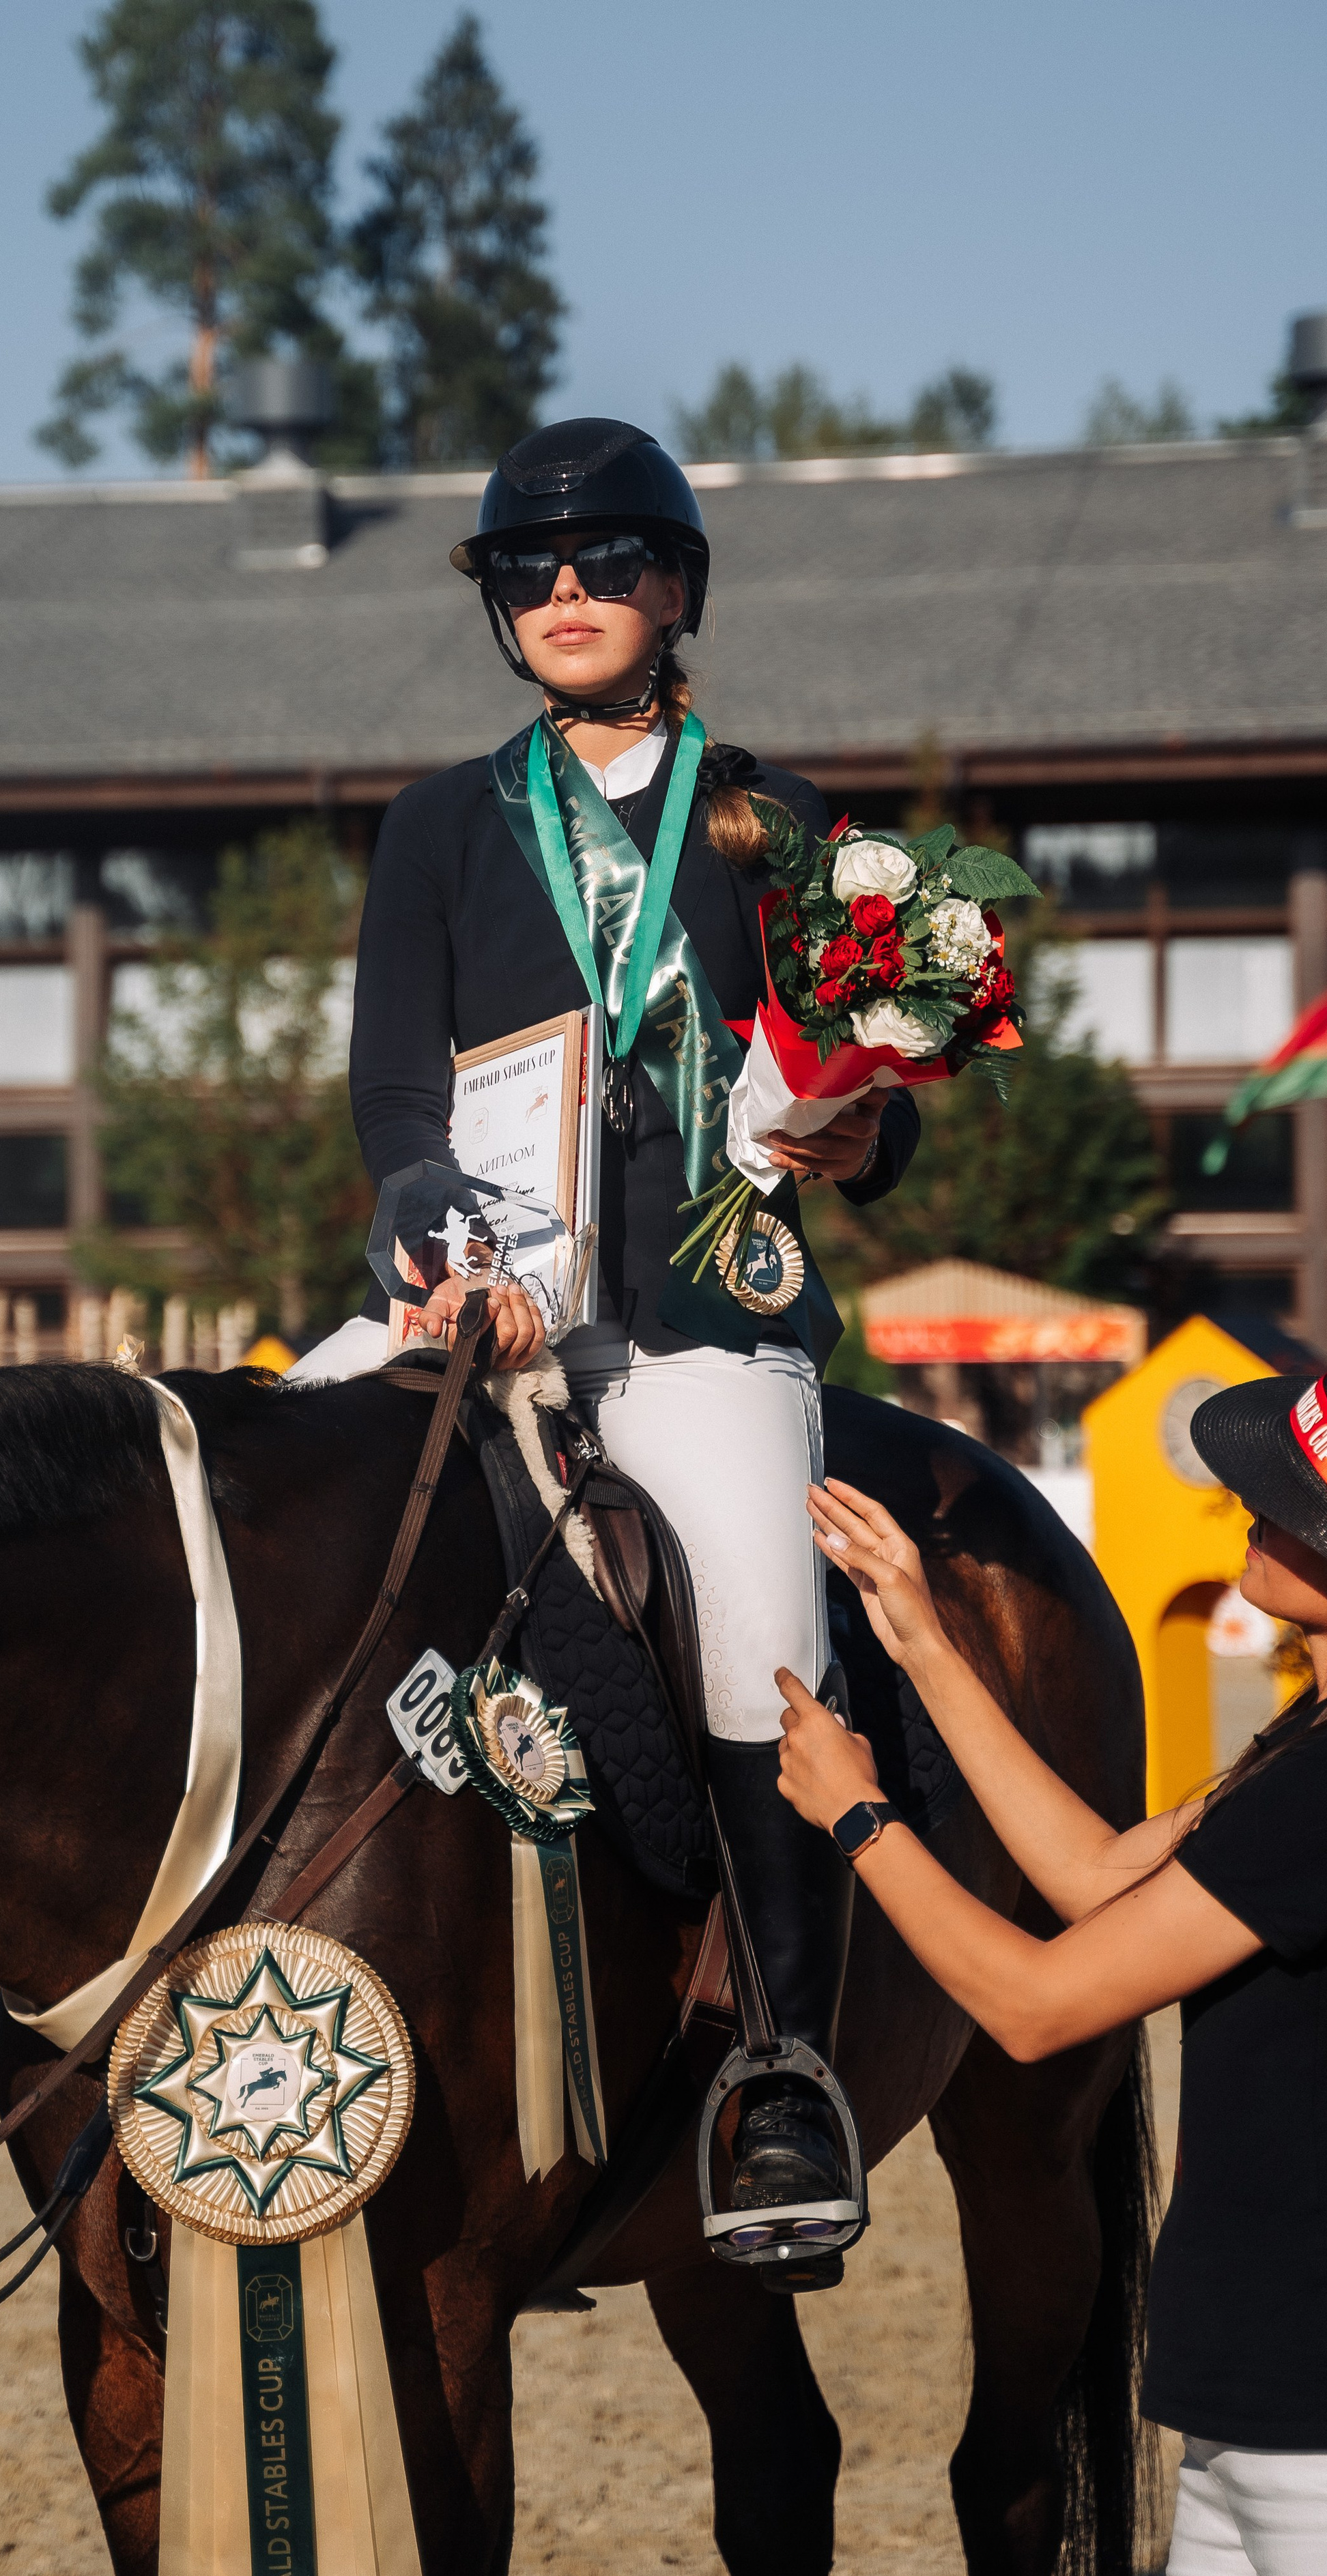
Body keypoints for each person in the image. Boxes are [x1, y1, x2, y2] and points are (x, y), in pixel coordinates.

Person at [333, 418, 920, 2269]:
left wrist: (856, 1129)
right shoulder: (438, 824)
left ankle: (782, 2066)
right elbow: (396, 1103)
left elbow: (873, 1108)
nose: (567, 595)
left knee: (760, 1610)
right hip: (477, 1301)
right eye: (530, 573)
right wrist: (440, 1252)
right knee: (261, 1480)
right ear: (501, 610)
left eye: (603, 565)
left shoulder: (781, 819)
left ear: (677, 590)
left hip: (698, 1314)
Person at [776, 1342, 1327, 2576]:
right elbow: (1091, 1875)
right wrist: (920, 1641)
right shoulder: (1325, 1746)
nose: (1250, 1511)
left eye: (1291, 1502)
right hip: (1259, 2442)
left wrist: (863, 1821)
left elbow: (1036, 2007)